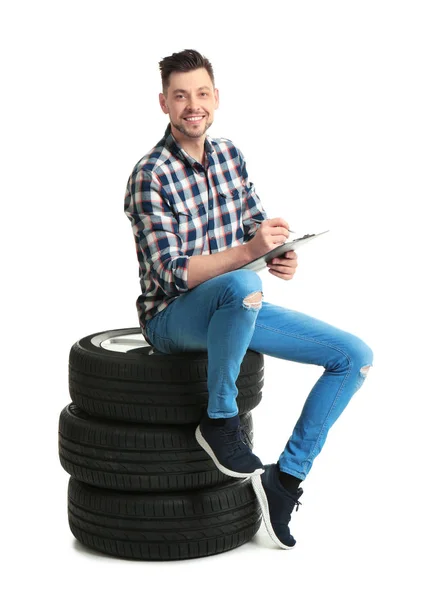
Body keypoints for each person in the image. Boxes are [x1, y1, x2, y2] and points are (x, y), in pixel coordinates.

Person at [124, 49, 373, 549]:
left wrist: (277, 253)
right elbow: (174, 274)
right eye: (180, 96)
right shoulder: (150, 175)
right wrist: (247, 254)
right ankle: (220, 420)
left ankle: (284, 482)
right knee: (241, 284)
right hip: (172, 318)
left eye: (201, 94)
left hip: (239, 304)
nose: (192, 105)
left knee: (354, 357)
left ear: (215, 98)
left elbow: (252, 227)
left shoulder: (230, 155)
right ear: (163, 104)